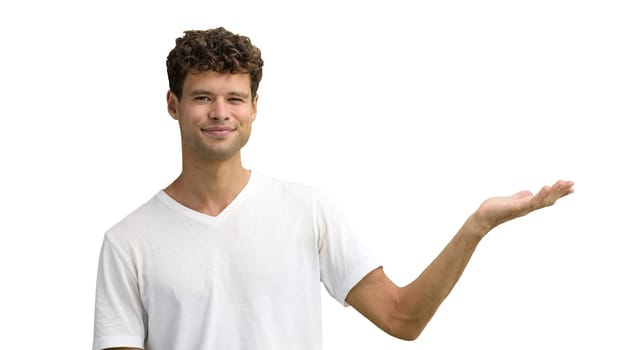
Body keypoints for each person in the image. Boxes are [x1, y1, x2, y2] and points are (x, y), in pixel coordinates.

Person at [92, 27, 574, 350]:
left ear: (255, 107)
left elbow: (402, 319)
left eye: (234, 98)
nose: (220, 113)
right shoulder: (129, 241)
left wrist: (477, 227)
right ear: (174, 104)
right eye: (202, 97)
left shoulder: (306, 211)